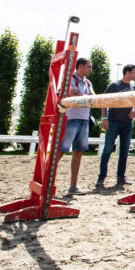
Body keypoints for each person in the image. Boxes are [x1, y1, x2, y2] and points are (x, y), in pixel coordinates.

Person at [95, 64, 135, 188]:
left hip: (127, 123)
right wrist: (104, 118)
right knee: (108, 150)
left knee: (125, 151)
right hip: (113, 122)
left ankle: (121, 177)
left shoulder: (133, 86)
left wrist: (134, 110)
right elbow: (104, 100)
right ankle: (101, 177)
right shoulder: (114, 85)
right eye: (134, 72)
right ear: (127, 73)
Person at [59, 57, 94, 195]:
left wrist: (83, 96)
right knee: (61, 151)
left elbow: (92, 97)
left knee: (78, 152)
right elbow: (73, 94)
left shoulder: (87, 82)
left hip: (84, 119)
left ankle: (73, 185)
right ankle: (46, 180)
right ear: (80, 66)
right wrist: (86, 97)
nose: (90, 69)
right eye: (88, 66)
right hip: (71, 119)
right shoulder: (71, 79)